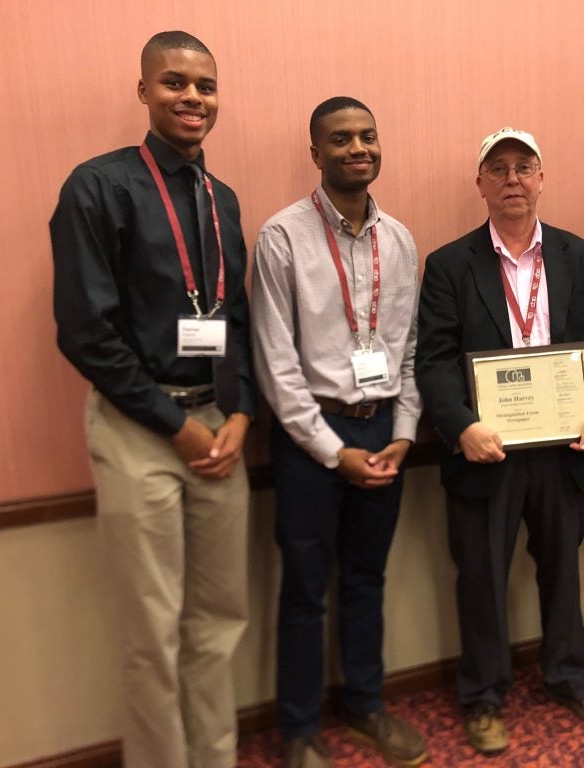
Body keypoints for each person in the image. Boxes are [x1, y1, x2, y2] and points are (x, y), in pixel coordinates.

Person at [50, 31, 254, 768]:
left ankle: (216, 758)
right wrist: (175, 426)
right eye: (173, 83)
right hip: (142, 427)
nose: (191, 98)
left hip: (216, 428)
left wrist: (238, 414)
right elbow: (84, 332)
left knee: (219, 622)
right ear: (143, 92)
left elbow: (235, 320)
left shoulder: (220, 197)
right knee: (152, 632)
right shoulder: (97, 187)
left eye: (204, 85)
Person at [416, 127, 584, 754]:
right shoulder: (450, 264)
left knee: (563, 570)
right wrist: (461, 425)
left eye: (524, 167)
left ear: (542, 178)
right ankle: (482, 694)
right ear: (480, 183)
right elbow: (432, 360)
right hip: (489, 451)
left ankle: (569, 674)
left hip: (567, 450)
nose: (512, 179)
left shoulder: (580, 256)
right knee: (480, 576)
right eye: (499, 169)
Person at [251, 97, 427, 768]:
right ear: (315, 153)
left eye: (367, 135)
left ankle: (367, 706)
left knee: (366, 578)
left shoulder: (401, 240)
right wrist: (332, 451)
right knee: (303, 588)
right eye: (341, 138)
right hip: (309, 439)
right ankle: (297, 730)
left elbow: (407, 352)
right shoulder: (282, 237)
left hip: (383, 428)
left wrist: (405, 434)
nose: (358, 147)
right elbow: (276, 362)